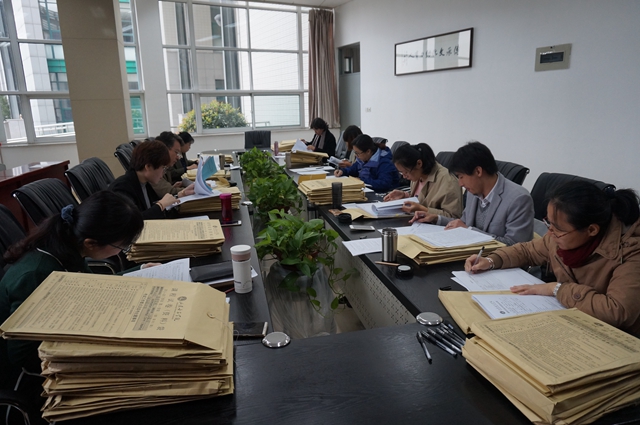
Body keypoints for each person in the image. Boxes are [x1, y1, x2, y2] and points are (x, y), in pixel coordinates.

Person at [0, 191, 147, 397]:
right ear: (91, 243)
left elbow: (90, 286)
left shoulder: (69, 248)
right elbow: (22, 356)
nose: (123, 251)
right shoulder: (35, 274)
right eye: (121, 246)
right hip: (29, 376)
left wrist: (141, 272)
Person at [465, 181, 640, 336]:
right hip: (575, 322)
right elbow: (527, 251)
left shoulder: (631, 252)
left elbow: (617, 311)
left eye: (558, 228)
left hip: (618, 338)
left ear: (592, 230)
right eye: (548, 223)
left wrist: (556, 289)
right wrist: (491, 261)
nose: (550, 233)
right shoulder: (560, 237)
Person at [410, 141, 534, 246]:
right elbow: (462, 223)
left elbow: (516, 247)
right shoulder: (473, 191)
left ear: (478, 171)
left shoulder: (518, 199)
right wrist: (436, 218)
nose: (460, 184)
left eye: (461, 177)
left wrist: (469, 231)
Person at [384, 143, 463, 218]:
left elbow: (453, 217)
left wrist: (423, 209)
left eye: (406, 172)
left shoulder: (448, 181)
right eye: (401, 173)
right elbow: (420, 198)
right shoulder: (418, 174)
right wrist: (405, 195)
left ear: (419, 163)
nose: (404, 176)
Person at [108, 141, 180, 219]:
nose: (163, 173)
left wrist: (177, 196)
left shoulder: (144, 183)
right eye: (163, 168)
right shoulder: (122, 188)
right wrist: (161, 205)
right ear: (148, 167)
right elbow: (133, 221)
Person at [334, 134, 399, 193]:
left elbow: (383, 184)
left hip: (384, 194)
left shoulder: (384, 162)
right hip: (367, 189)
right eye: (355, 153)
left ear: (368, 151)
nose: (356, 156)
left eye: (357, 153)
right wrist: (343, 171)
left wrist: (362, 181)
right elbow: (354, 169)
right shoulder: (363, 158)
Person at [151, 132, 196, 198]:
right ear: (164, 149)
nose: (178, 157)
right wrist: (195, 189)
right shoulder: (153, 168)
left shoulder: (165, 167)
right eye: (176, 152)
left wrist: (172, 187)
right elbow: (169, 192)